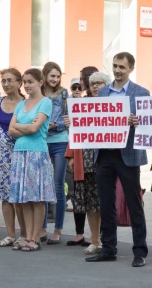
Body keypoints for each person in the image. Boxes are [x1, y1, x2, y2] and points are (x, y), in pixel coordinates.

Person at [85, 52, 150, 267]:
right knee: (106, 203)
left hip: (128, 154)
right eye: (115, 66)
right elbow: (94, 120)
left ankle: (139, 251)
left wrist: (137, 121)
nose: (117, 70)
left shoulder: (141, 92)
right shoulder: (103, 92)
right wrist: (75, 121)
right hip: (104, 153)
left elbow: (149, 124)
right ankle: (109, 248)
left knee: (134, 204)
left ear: (131, 68)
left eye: (122, 67)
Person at [7, 68, 56, 252]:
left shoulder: (45, 103)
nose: (26, 85)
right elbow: (10, 130)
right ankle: (27, 235)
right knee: (24, 199)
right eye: (25, 82)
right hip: (20, 152)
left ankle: (36, 237)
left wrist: (22, 126)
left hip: (36, 153)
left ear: (40, 82)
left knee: (37, 198)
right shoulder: (21, 104)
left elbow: (35, 129)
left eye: (30, 82)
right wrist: (25, 126)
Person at [66, 71, 109, 255]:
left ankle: (107, 239)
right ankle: (95, 239)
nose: (96, 86)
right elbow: (75, 131)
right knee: (90, 201)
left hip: (106, 158)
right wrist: (71, 155)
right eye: (92, 83)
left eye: (100, 83)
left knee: (104, 201)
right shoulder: (81, 105)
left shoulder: (112, 105)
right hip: (85, 158)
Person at [0, 68, 27, 248]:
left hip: (19, 149)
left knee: (19, 195)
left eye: (10, 80)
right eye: (3, 81)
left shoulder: (26, 103)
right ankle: (10, 234)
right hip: (0, 152)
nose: (6, 84)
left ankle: (24, 234)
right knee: (4, 195)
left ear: (20, 83)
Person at [39, 61, 69, 245]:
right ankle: (41, 228)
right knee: (42, 185)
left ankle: (58, 229)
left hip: (59, 141)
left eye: (58, 76)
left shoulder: (64, 94)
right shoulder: (38, 94)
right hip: (41, 141)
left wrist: (57, 125)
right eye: (52, 76)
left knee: (58, 185)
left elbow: (71, 119)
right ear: (44, 76)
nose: (55, 79)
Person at [65, 77, 82, 212]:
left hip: (80, 140)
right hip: (67, 140)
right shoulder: (66, 102)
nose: (77, 90)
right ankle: (73, 201)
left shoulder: (85, 102)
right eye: (74, 87)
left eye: (79, 87)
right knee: (69, 175)